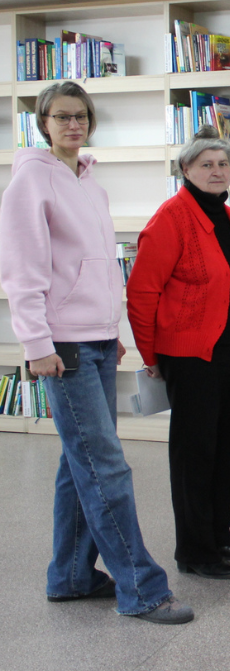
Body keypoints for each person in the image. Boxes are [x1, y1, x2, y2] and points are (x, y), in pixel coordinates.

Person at [0, 81, 192, 623]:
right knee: (106, 466)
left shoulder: (90, 182)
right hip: (63, 346)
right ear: (43, 122)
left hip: (100, 341)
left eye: (81, 116)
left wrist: (113, 329)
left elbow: (100, 267)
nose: (73, 124)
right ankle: (142, 589)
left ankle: (71, 577)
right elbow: (22, 271)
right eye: (62, 116)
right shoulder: (30, 180)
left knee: (78, 461)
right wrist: (36, 344)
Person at [127, 125, 230, 580]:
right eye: (206, 164)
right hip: (189, 355)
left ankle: (218, 534)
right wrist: (150, 356)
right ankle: (195, 551)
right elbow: (142, 292)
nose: (217, 171)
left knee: (227, 444)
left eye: (223, 164)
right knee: (195, 453)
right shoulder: (171, 217)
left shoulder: (228, 215)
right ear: (186, 169)